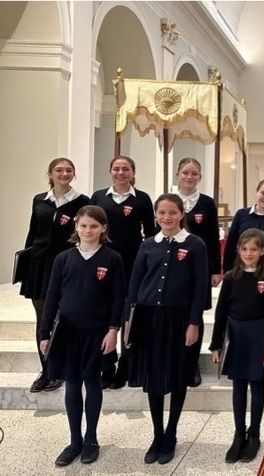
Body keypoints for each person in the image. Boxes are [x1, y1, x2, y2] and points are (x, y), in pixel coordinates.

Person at [39, 205, 126, 466]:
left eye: (94, 226)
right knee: (72, 384)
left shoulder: (112, 258)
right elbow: (52, 298)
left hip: (97, 333)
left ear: (103, 229)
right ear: (76, 226)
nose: (88, 230)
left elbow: (118, 297)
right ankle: (74, 440)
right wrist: (45, 334)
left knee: (93, 382)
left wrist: (113, 330)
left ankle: (91, 439)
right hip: (68, 332)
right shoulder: (63, 259)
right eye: (84, 225)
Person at [126, 194, 208, 465]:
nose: (167, 217)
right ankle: (157, 434)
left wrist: (194, 323)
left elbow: (199, 288)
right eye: (162, 212)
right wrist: (128, 321)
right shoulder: (148, 245)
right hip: (149, 319)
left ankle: (171, 433)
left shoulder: (195, 244)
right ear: (155, 215)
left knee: (177, 376)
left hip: (180, 320)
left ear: (181, 214)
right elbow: (135, 285)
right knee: (153, 378)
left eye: (172, 212)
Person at [211, 229, 264, 464]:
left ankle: (254, 434)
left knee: (257, 385)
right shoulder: (231, 277)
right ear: (238, 250)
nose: (248, 253)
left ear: (262, 252)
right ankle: (238, 433)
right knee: (238, 386)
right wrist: (215, 344)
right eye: (244, 249)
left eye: (253, 249)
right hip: (235, 334)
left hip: (258, 334)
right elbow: (221, 311)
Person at [21, 158, 90, 393]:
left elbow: (84, 236)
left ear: (74, 174)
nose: (64, 173)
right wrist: (25, 264)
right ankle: (46, 370)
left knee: (63, 317)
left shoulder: (81, 202)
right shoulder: (40, 200)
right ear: (50, 174)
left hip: (65, 265)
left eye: (69, 170)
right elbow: (33, 233)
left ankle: (61, 367)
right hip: (39, 265)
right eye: (59, 170)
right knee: (42, 318)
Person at [90, 155, 156, 389]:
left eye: (125, 169)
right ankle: (107, 364)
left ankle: (126, 365)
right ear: (110, 172)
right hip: (102, 264)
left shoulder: (142, 199)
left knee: (128, 314)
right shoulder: (98, 197)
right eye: (116, 168)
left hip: (132, 264)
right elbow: (90, 228)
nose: (121, 173)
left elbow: (150, 234)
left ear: (132, 172)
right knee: (104, 312)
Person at [175, 158, 223, 388]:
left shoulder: (206, 203)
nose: (189, 177)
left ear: (200, 177)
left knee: (196, 314)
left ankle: (192, 364)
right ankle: (175, 362)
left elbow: (213, 238)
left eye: (194, 173)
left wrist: (216, 269)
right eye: (185, 173)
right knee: (174, 314)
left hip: (200, 267)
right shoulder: (169, 201)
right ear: (177, 175)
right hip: (173, 268)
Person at [223, 179, 264, 290]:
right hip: (240, 270)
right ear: (256, 193)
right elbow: (231, 244)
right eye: (263, 193)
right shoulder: (241, 215)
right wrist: (227, 270)